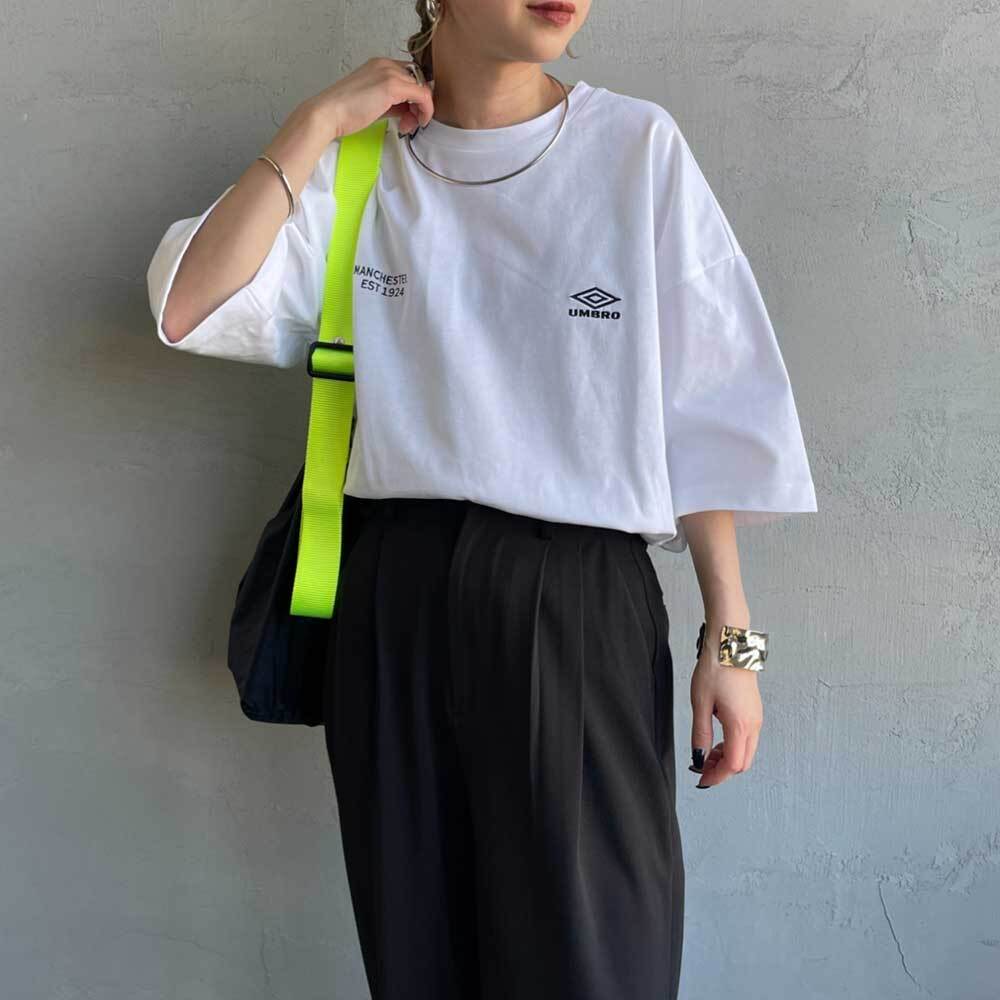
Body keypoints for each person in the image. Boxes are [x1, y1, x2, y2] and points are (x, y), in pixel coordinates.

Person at [146, 1, 818, 997]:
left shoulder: (635, 148)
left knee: (600, 962)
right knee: (419, 963)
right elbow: (186, 303)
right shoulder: (358, 164)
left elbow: (709, 406)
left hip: (578, 601)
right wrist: (315, 124)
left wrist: (736, 642)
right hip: (392, 600)